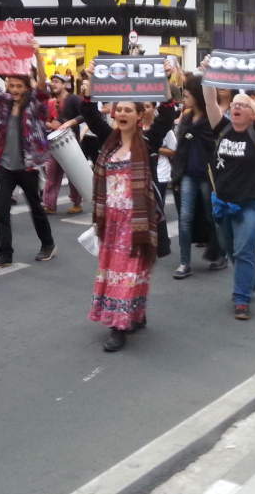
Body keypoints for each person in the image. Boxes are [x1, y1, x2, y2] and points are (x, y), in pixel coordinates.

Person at [204, 69, 255, 320]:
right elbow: (209, 100)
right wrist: (207, 74)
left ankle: (241, 299)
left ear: (253, 114)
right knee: (231, 249)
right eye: (234, 104)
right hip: (223, 203)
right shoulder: (222, 128)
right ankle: (249, 281)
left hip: (251, 205)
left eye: (243, 106)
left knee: (244, 250)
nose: (236, 107)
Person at [87, 102, 159, 352]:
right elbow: (89, 113)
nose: (122, 114)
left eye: (129, 110)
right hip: (111, 221)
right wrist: (89, 88)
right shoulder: (109, 144)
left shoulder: (147, 143)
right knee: (115, 272)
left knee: (128, 272)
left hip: (136, 221)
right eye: (119, 110)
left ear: (140, 115)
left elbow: (168, 116)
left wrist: (171, 86)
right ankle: (135, 313)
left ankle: (118, 327)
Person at [0, 44, 56, 270]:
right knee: (2, 211)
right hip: (5, 165)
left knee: (36, 207)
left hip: (27, 166)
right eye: (11, 85)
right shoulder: (4, 101)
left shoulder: (34, 102)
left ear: (26, 87)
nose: (13, 89)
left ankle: (48, 244)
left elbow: (43, 85)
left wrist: (39, 55)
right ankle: (5, 254)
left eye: (18, 86)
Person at [170, 75, 221, 279]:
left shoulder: (211, 119)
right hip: (188, 175)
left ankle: (219, 253)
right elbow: (180, 148)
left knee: (212, 216)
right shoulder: (186, 117)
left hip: (207, 176)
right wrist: (177, 175)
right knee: (185, 218)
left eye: (188, 94)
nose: (184, 98)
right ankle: (184, 262)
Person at [43, 74, 84, 216]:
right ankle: (49, 204)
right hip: (55, 143)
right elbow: (49, 121)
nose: (53, 84)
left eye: (56, 82)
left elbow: (85, 114)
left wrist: (70, 122)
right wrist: (49, 124)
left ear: (65, 84)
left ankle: (77, 203)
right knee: (52, 173)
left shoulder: (73, 99)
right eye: (52, 82)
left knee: (73, 174)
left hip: (71, 143)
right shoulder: (52, 102)